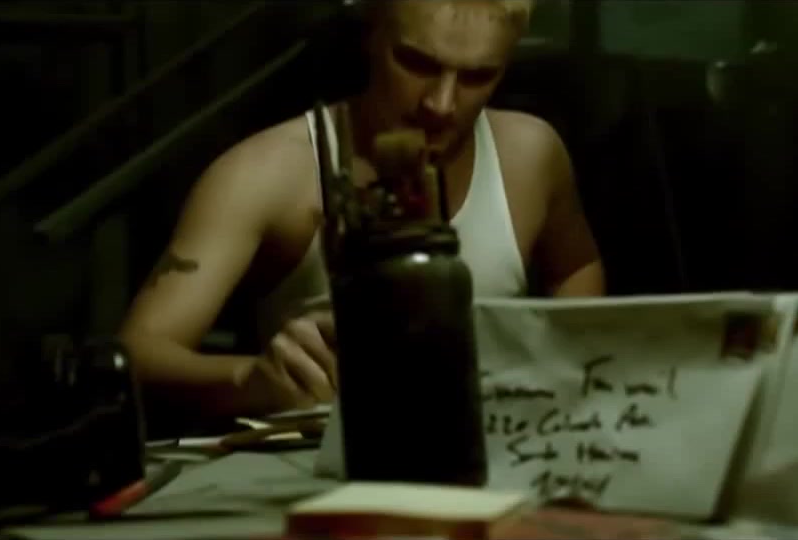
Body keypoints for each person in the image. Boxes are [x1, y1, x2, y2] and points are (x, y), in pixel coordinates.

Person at [119, 0, 605, 418]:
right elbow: (137, 354)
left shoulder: (530, 154)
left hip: (504, 445)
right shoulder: (268, 173)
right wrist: (249, 379)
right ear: (371, 34)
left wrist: (566, 368)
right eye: (415, 63)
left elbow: (576, 268)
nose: (441, 104)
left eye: (478, 76)